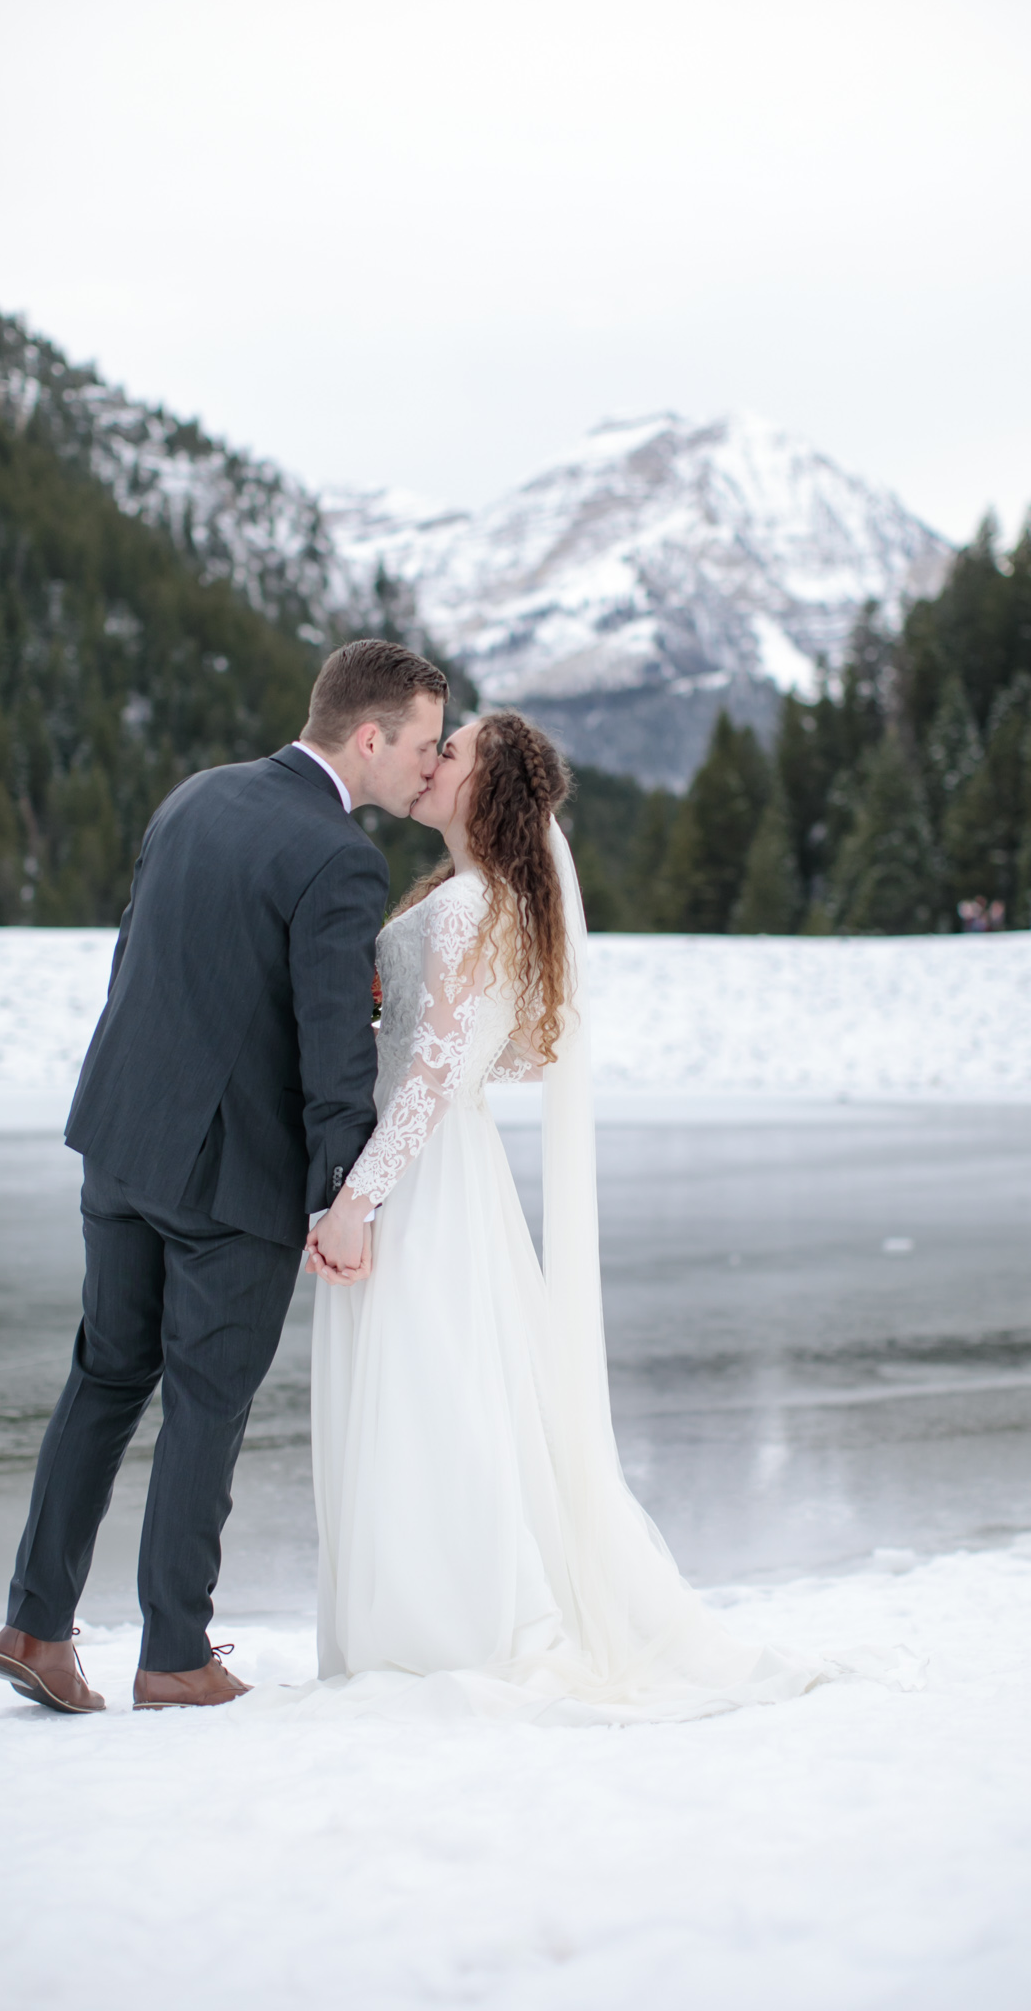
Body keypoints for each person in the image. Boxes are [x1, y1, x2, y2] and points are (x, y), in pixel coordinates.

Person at [296, 710, 829, 1722]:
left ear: (485, 789)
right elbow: (502, 1053)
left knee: (432, 1391)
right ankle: (425, 1619)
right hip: (447, 1169)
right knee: (448, 1390)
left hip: (421, 1182)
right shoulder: (477, 902)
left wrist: (358, 1200)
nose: (433, 757)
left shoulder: (465, 910)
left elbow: (442, 1073)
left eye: (452, 752)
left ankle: (436, 1626)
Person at [0, 640, 448, 1714]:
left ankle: (34, 1626)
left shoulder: (195, 797)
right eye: (421, 745)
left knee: (104, 1377)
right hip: (228, 1172)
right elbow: (333, 1046)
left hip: (122, 1136)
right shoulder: (338, 857)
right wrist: (344, 1198)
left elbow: (139, 960)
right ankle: (176, 1655)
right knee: (204, 1403)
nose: (427, 768)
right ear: (368, 736)